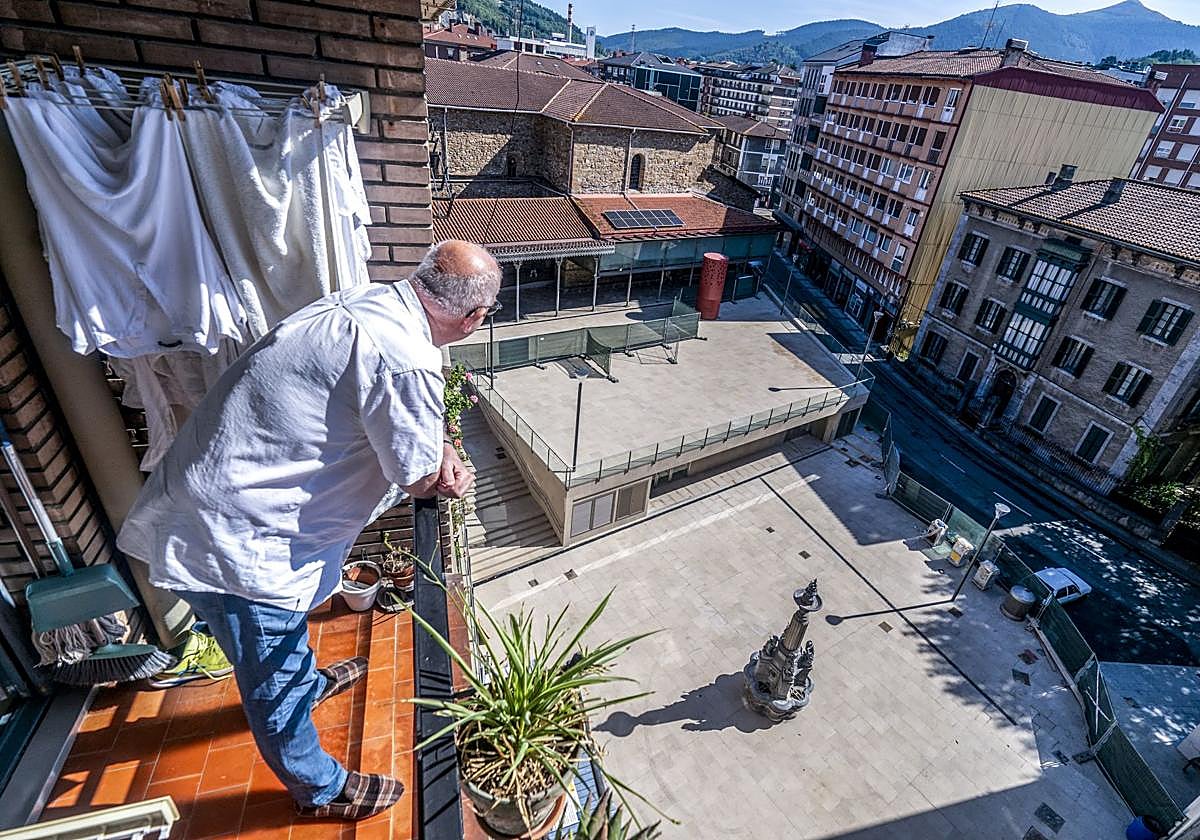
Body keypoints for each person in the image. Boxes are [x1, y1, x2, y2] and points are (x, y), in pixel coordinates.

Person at [118, 240, 502, 820]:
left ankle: (308, 685)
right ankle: (318, 788)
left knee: (276, 641)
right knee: (268, 671)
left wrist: (434, 442)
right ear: (473, 318)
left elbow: (398, 428)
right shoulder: (403, 355)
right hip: (237, 539)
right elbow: (422, 476)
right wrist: (450, 470)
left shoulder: (366, 305)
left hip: (214, 507)